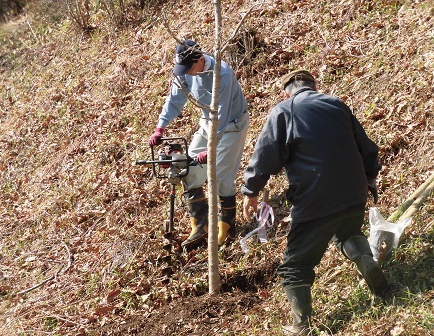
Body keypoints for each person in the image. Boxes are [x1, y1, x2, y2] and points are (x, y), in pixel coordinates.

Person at [241, 69, 390, 334]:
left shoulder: (284, 111)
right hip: (354, 190)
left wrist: (250, 191)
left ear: (287, 91)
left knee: (294, 266)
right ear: (313, 86)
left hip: (315, 197)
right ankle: (368, 263)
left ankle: (303, 326)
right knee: (347, 232)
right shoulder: (336, 104)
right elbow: (367, 148)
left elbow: (265, 155)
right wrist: (369, 178)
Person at [149, 40, 249, 249]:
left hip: (231, 125)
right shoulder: (187, 71)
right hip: (207, 124)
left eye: (188, 69)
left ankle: (227, 225)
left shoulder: (222, 74)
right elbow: (175, 98)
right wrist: (161, 127)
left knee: (221, 174)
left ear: (201, 60)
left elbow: (221, 115)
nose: (185, 73)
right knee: (186, 169)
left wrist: (210, 149)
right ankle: (201, 224)